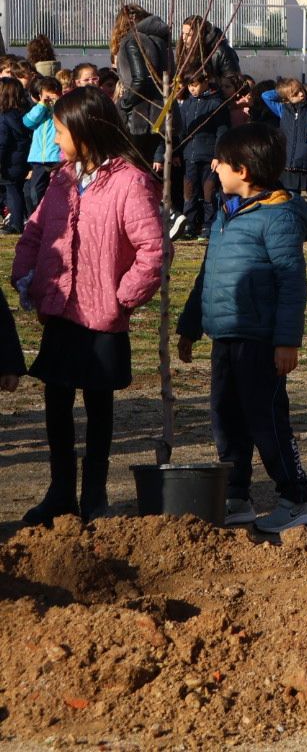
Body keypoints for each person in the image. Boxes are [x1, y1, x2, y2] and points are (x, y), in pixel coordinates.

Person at [13, 87, 165, 524]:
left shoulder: (129, 182)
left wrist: (123, 296)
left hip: (101, 317)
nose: (55, 139)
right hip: (60, 310)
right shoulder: (61, 180)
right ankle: (60, 491)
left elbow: (153, 250)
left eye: (60, 131)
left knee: (98, 405)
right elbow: (36, 231)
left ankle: (93, 495)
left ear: (84, 130)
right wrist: (25, 274)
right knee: (56, 399)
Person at [176, 123, 307, 533]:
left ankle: (297, 496)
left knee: (266, 421)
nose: (214, 167)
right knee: (226, 419)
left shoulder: (277, 217)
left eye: (219, 162)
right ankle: (236, 494)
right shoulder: (225, 212)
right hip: (226, 337)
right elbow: (210, 273)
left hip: (260, 341)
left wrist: (286, 342)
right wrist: (190, 325)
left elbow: (292, 282)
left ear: (243, 169)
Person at [261, 77, 307, 243]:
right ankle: (295, 229)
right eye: (295, 93)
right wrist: (283, 90)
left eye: (301, 90)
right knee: (292, 199)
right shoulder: (282, 109)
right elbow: (266, 96)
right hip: (289, 163)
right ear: (287, 97)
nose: (301, 94)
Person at [110, 4, 173, 161]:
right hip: (161, 111)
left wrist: (124, 104)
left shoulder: (132, 40)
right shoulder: (161, 40)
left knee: (133, 165)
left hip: (138, 115)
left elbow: (140, 80)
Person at [176, 72, 231, 240]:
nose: (192, 89)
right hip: (189, 155)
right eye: (190, 86)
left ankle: (209, 225)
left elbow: (222, 131)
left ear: (205, 82)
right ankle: (190, 224)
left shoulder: (216, 104)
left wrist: (217, 155)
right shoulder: (186, 105)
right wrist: (178, 152)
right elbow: (180, 131)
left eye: (195, 84)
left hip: (209, 156)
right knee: (189, 191)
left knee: (209, 192)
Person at [22, 75, 61, 218]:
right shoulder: (39, 110)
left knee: (58, 189)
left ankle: (55, 215)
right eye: (46, 93)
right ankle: (37, 216)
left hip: (57, 157)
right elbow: (27, 122)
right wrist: (41, 105)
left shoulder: (60, 109)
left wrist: (57, 104)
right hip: (40, 159)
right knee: (36, 190)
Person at [0, 78, 29, 233]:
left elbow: (2, 143)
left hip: (10, 162)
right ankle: (18, 219)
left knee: (12, 192)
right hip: (21, 159)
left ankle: (16, 223)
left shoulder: (4, 118)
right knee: (16, 191)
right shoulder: (22, 114)